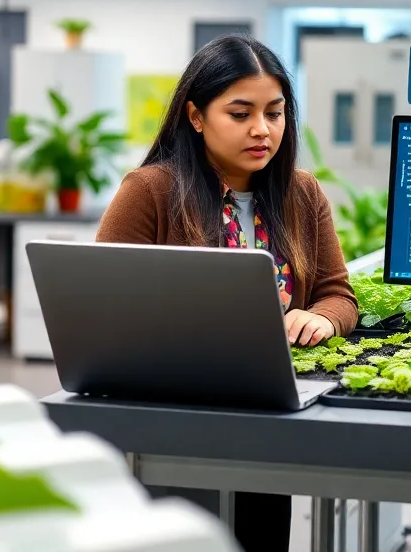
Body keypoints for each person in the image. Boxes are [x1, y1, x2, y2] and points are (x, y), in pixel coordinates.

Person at [96, 33, 359, 550]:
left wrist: (323, 319)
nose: (262, 129)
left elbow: (338, 294)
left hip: (269, 420)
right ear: (196, 117)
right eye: (240, 114)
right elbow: (100, 309)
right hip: (172, 421)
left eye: (275, 112)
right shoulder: (149, 192)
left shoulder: (300, 193)